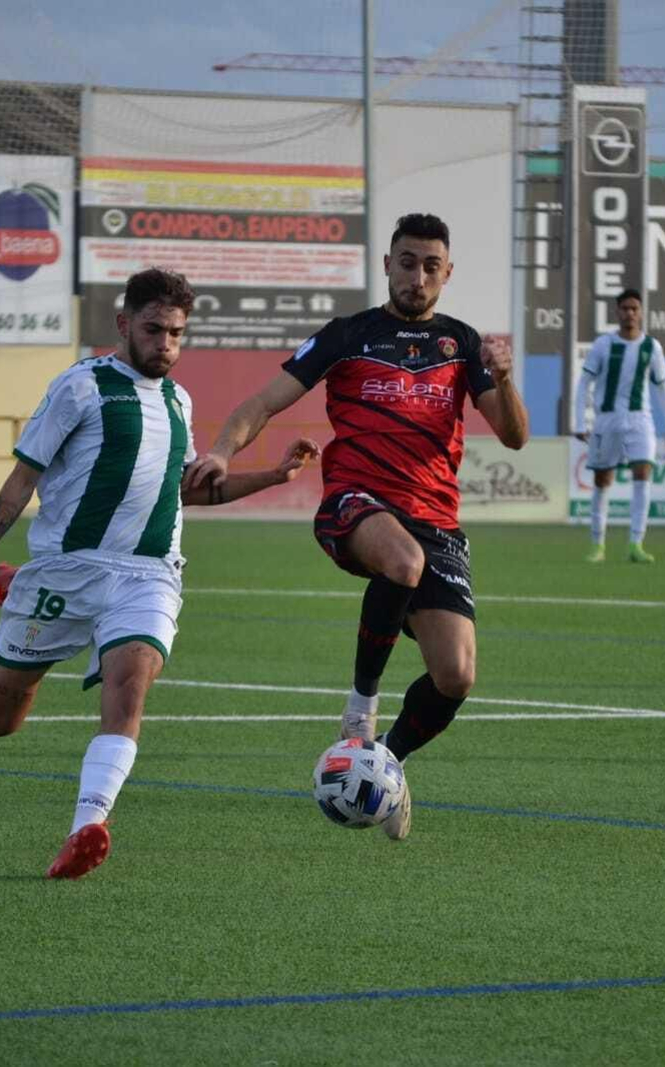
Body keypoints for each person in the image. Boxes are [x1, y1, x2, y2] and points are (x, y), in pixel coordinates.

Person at [0, 268, 318, 880]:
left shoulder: (179, 402)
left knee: (130, 684)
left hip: (147, 575)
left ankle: (87, 826)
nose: (166, 343)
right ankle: (13, 583)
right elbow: (22, 481)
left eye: (177, 333)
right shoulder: (79, 387)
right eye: (154, 329)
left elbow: (185, 492)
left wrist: (273, 476)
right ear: (124, 324)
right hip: (66, 572)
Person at [183, 213, 529, 841]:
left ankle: (386, 764)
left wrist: (503, 380)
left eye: (431, 266)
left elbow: (513, 436)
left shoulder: (463, 344)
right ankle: (360, 709)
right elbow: (263, 402)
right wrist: (224, 452)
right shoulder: (348, 335)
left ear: (447, 273)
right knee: (402, 560)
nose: (417, 276)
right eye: (407, 262)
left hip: (437, 520)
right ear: (388, 264)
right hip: (356, 499)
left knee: (456, 676)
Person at [572, 288, 665, 563]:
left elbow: (662, 387)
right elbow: (584, 383)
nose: (630, 313)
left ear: (641, 313)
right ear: (617, 312)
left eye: (634, 309)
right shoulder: (603, 344)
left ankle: (636, 543)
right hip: (606, 420)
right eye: (625, 308)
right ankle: (598, 545)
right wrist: (579, 421)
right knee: (602, 480)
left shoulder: (652, 347)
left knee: (643, 474)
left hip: (640, 420)